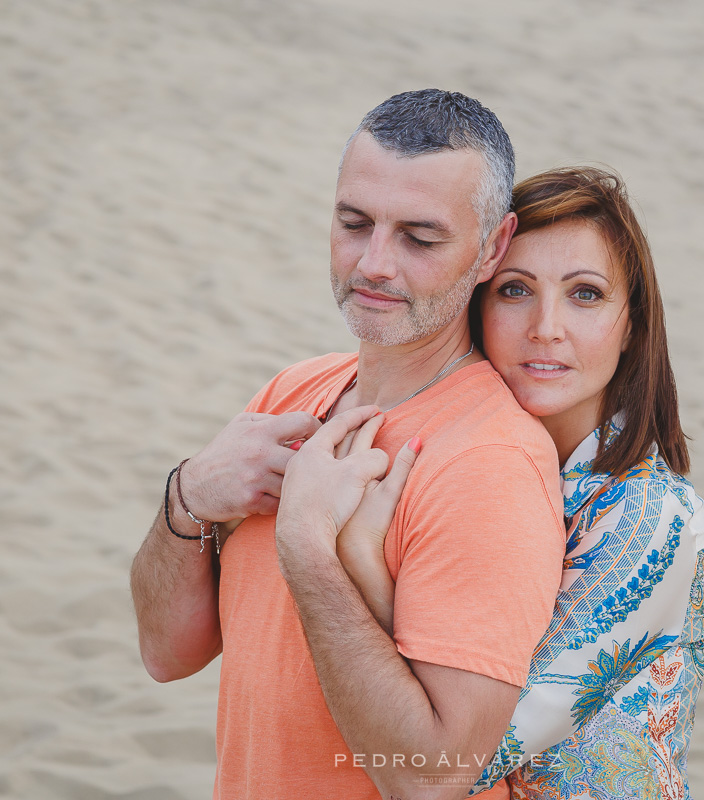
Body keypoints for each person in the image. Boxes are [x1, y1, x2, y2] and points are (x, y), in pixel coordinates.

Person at [129, 90, 567, 799]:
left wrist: (307, 548)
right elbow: (164, 653)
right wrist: (188, 497)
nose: (374, 265)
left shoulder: (490, 465)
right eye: (354, 222)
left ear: (492, 248)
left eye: (420, 238)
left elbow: (433, 777)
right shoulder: (293, 393)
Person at [297, 167, 704, 799]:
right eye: (516, 290)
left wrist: (358, 562)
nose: (546, 326)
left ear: (632, 325)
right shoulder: (472, 464)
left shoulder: (651, 518)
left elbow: (460, 758)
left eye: (586, 294)